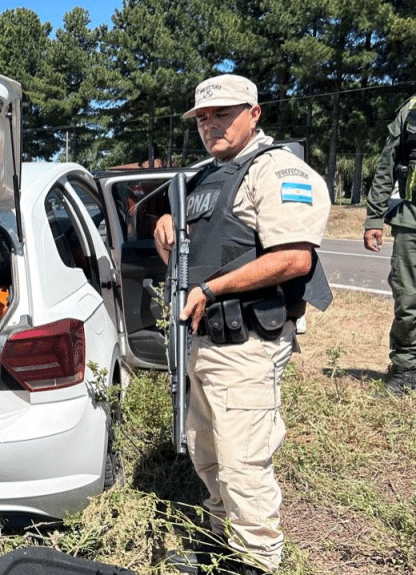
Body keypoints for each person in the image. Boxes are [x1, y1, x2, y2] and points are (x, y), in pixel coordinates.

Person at [154, 75, 332, 575]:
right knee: (206, 452)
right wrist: (164, 224)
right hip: (204, 340)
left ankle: (255, 562)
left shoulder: (277, 171)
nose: (211, 125)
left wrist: (212, 289)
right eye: (203, 118)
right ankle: (220, 545)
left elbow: (295, 258)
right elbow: (194, 236)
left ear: (254, 113)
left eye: (223, 114)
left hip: (247, 342)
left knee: (242, 463)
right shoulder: (203, 176)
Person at [363, 93, 416, 395]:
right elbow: (387, 164)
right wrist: (374, 218)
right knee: (408, 300)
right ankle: (406, 369)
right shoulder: (411, 109)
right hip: (411, 219)